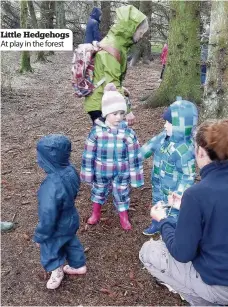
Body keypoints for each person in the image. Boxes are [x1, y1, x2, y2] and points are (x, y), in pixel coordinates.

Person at [139, 117, 228, 306]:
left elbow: (182, 253)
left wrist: (163, 220)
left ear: (200, 151)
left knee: (148, 251)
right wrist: (184, 207)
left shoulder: (196, 195)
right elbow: (224, 213)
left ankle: (203, 301)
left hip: (222, 286)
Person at [80, 83, 144, 230]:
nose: (119, 117)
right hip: (101, 171)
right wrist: (88, 174)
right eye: (114, 114)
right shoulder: (96, 132)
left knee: (122, 192)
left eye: (122, 113)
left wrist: (135, 177)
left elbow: (134, 156)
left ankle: (123, 216)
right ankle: (95, 212)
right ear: (105, 113)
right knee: (99, 190)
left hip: (122, 172)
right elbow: (88, 154)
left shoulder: (128, 133)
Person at [33, 134, 86, 290]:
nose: (38, 160)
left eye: (40, 157)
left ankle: (56, 272)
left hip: (57, 225)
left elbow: (48, 214)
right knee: (70, 240)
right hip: (71, 217)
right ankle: (78, 265)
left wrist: (41, 235)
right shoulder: (71, 170)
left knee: (50, 247)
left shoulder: (51, 185)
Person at [141, 97, 198, 236]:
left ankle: (170, 233)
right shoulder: (164, 137)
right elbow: (149, 146)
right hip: (158, 183)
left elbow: (188, 175)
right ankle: (156, 224)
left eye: (169, 122)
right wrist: (136, 156)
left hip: (173, 193)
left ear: (181, 126)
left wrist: (179, 193)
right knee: (157, 204)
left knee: (172, 213)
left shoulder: (185, 151)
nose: (165, 125)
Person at [84, 5, 149, 124]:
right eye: (141, 32)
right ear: (131, 28)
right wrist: (127, 111)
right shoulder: (113, 47)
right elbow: (112, 82)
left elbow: (105, 74)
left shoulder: (116, 43)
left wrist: (121, 87)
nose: (142, 35)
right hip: (100, 103)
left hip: (101, 98)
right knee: (105, 139)